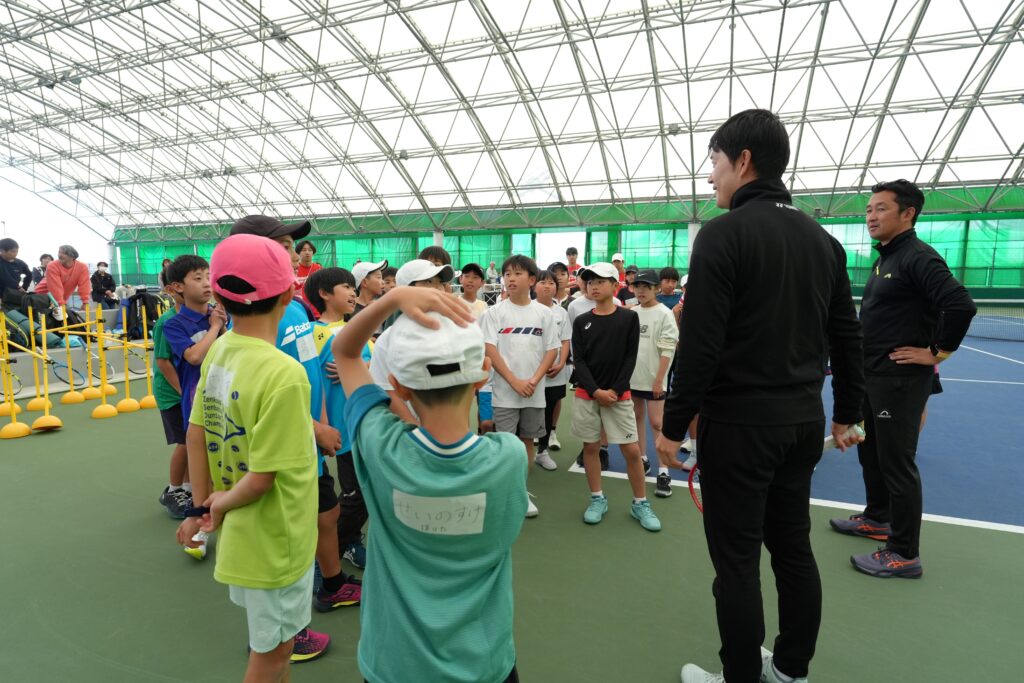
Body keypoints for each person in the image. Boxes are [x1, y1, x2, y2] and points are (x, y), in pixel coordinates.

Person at [654, 109, 866, 683]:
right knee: (793, 549)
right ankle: (791, 670)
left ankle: (740, 676)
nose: (711, 177)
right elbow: (847, 336)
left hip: (740, 428)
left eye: (715, 163)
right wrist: (847, 414)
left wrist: (672, 427)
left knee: (737, 563)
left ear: (743, 160)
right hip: (803, 425)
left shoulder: (722, 235)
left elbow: (702, 344)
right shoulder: (824, 242)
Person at [332, 284, 526, 683]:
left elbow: (345, 352)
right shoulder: (509, 456)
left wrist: (390, 300)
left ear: (398, 385)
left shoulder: (381, 444)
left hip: (393, 665)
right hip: (484, 665)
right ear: (482, 375)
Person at [175, 233, 319, 682]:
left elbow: (196, 432)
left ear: (218, 297)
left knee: (274, 649)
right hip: (277, 539)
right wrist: (220, 503)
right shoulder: (284, 373)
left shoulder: (220, 348)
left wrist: (201, 508)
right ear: (290, 293)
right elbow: (261, 479)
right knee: (272, 655)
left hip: (243, 535)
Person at [830, 179, 976, 580]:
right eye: (868, 209)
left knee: (896, 462)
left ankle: (904, 553)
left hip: (899, 381)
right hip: (874, 376)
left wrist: (937, 353)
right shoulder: (886, 257)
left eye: (881, 208)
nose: (871, 216)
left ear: (908, 213)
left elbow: (960, 305)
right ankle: (877, 518)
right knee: (870, 451)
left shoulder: (918, 257)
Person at [227, 215, 356, 655]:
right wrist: (315, 428)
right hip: (284, 445)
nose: (291, 253)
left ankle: (331, 585)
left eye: (289, 245)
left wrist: (322, 421)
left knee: (326, 513)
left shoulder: (295, 307)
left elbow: (310, 370)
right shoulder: (253, 323)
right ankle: (284, 632)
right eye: (280, 245)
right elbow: (265, 392)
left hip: (309, 441)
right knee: (287, 535)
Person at [571, 262, 660, 532]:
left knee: (632, 450)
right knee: (591, 448)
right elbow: (579, 361)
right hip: (587, 395)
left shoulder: (628, 318)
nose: (593, 286)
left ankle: (640, 503)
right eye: (590, 282)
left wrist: (615, 390)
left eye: (600, 281)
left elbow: (630, 357)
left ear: (614, 285)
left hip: (619, 396)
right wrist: (596, 391)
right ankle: (597, 498)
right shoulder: (581, 321)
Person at [305, 267, 374, 576]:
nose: (352, 292)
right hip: (338, 430)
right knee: (355, 496)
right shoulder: (311, 333)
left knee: (364, 494)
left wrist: (359, 367)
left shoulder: (357, 330)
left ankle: (343, 543)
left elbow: (375, 370)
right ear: (324, 294)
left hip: (366, 425)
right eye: (345, 286)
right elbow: (305, 377)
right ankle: (331, 554)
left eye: (352, 287)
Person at [481, 255, 559, 517]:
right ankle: (505, 492)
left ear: (532, 279)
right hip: (504, 393)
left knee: (527, 442)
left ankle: (519, 492)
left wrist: (533, 380)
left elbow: (552, 349)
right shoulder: (494, 313)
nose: (511, 278)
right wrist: (514, 381)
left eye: (517, 273)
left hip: (534, 394)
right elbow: (490, 349)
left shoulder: (544, 314)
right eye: (507, 274)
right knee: (506, 445)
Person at [370, 259, 456, 426]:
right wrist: (416, 429)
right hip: (406, 430)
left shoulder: (455, 331)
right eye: (428, 282)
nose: (437, 288)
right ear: (406, 292)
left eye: (440, 282)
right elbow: (386, 389)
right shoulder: (389, 338)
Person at [629, 269, 679, 498]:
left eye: (646, 287)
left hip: (655, 380)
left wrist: (659, 379)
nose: (641, 290)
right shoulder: (632, 313)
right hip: (633, 378)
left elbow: (668, 350)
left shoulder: (665, 314)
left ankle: (664, 471)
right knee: (637, 417)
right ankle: (642, 459)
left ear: (656, 289)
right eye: (637, 286)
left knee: (657, 423)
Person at [162, 255, 224, 436]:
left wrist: (222, 326)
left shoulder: (218, 315)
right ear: (178, 287)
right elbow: (194, 357)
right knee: (198, 448)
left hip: (226, 393)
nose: (206, 283)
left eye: (208, 277)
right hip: (198, 401)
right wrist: (215, 327)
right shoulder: (174, 324)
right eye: (198, 278)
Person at [153, 268, 191, 519]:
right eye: (195, 279)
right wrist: (183, 391)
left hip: (191, 391)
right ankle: (174, 490)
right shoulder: (167, 322)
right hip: (172, 394)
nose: (204, 284)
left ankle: (188, 488)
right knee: (185, 442)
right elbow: (163, 361)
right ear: (172, 289)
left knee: (194, 441)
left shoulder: (205, 317)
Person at [532, 269, 571, 471]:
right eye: (543, 282)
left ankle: (542, 451)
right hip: (531, 372)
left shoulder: (561, 312)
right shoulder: (528, 309)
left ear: (557, 287)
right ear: (534, 285)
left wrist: (561, 362)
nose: (547, 286)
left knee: (549, 410)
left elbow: (565, 340)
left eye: (551, 283)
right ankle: (523, 451)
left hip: (555, 372)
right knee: (530, 410)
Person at [33, 244, 91, 316]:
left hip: (58, 300)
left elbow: (84, 285)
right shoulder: (52, 265)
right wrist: (61, 304)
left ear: (73, 257)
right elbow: (55, 287)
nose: (60, 255)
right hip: (41, 296)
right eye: (59, 252)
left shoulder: (82, 267)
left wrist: (85, 302)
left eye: (64, 253)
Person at [0, 238, 32, 304]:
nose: (15, 254)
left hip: (15, 296)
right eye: (13, 251)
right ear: (2, 250)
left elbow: (29, 276)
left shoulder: (20, 264)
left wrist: (24, 287)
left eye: (17, 251)